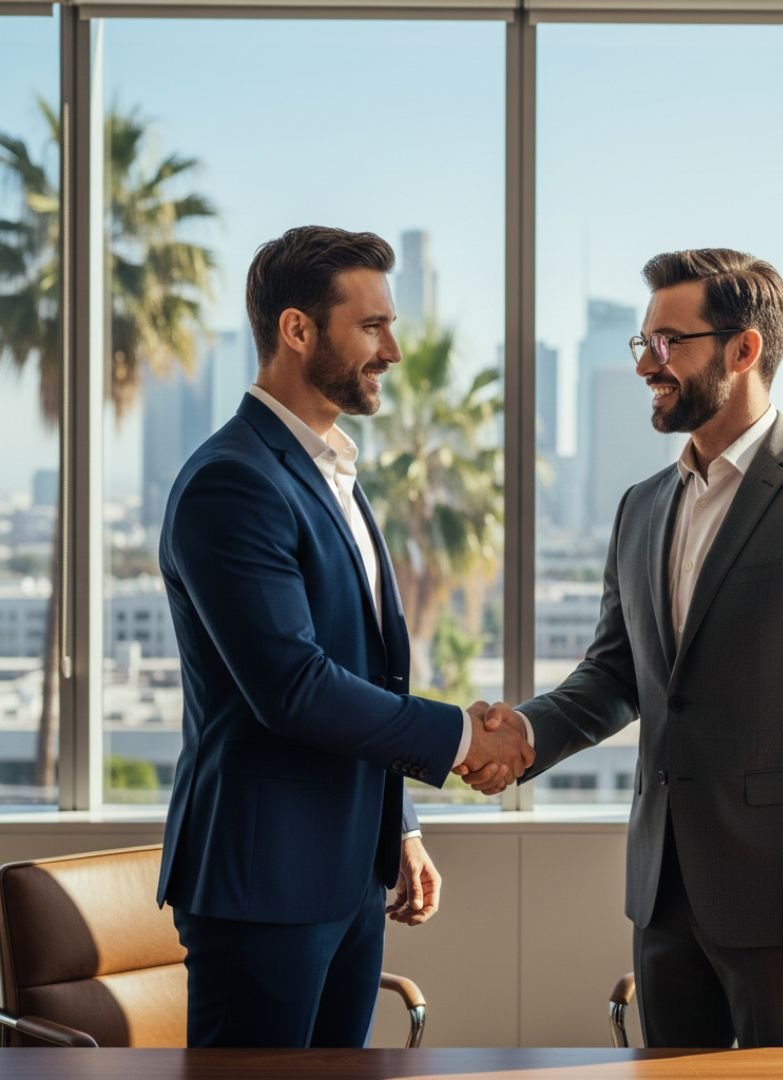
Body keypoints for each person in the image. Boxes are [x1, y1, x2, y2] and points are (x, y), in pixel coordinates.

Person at [466, 248, 783, 1048]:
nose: (648, 365)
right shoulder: (643, 507)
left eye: (668, 343)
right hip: (662, 891)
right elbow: (616, 674)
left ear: (743, 350)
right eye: (643, 344)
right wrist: (524, 734)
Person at [156, 225, 532, 1048]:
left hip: (350, 877)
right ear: (298, 331)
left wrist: (397, 829)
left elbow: (366, 672)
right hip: (265, 883)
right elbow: (294, 686)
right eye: (372, 326)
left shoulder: (333, 473)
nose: (392, 350)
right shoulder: (234, 481)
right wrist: (464, 735)